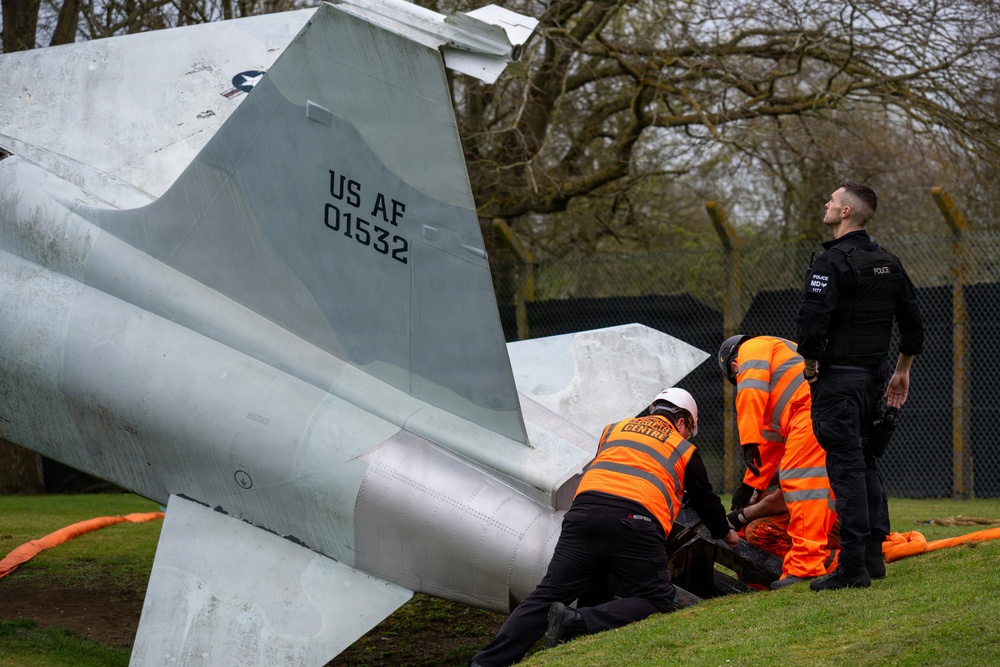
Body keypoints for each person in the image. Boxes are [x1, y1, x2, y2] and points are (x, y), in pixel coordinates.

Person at [470, 388, 739, 667]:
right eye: (688, 429)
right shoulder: (683, 448)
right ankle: (576, 621)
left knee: (546, 595)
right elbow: (704, 499)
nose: (686, 435)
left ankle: (485, 663)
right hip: (635, 524)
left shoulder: (615, 429)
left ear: (654, 409)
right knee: (657, 598)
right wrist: (725, 532)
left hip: (582, 517)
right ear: (682, 421)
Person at [796, 180, 924, 591]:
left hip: (838, 382)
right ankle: (873, 554)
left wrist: (811, 366)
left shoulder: (831, 263)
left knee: (846, 467)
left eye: (831, 200)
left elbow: (812, 325)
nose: (827, 204)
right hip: (873, 378)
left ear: (845, 212)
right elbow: (912, 322)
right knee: (866, 462)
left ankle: (852, 567)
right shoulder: (889, 261)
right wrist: (901, 369)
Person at [717, 335, 837, 588]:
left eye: (735, 375)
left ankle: (806, 566)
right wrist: (751, 485)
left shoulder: (753, 347)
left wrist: (747, 439)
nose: (739, 378)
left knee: (801, 483)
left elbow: (750, 388)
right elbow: (769, 444)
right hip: (818, 407)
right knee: (801, 482)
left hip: (812, 408)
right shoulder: (782, 381)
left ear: (734, 364)